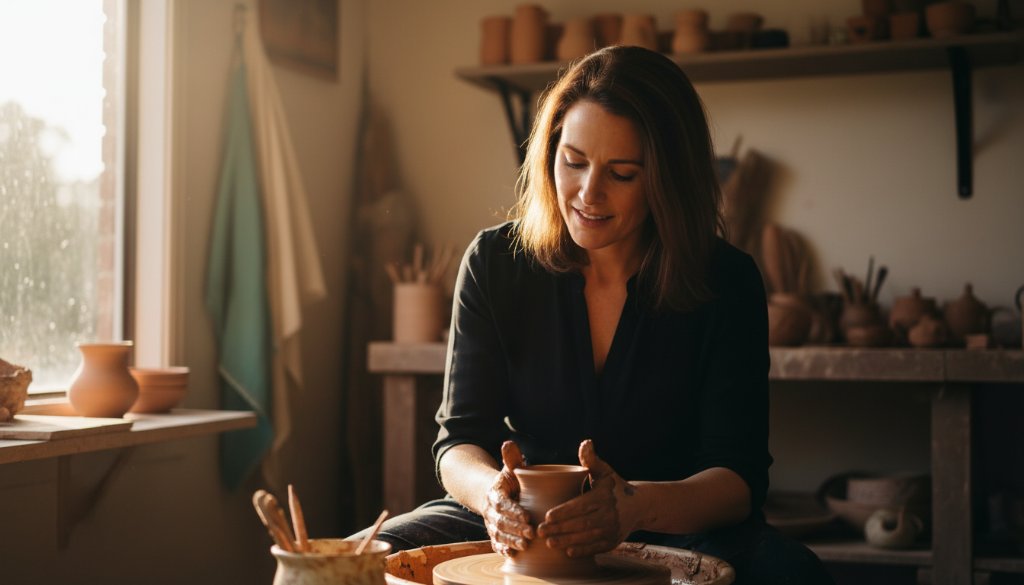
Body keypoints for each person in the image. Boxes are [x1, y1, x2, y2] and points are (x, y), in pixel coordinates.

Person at [351, 45, 833, 585]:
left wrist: (633, 508)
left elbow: (738, 479)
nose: (587, 192)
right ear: (549, 152)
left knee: (792, 574)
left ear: (667, 181)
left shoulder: (725, 280)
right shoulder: (495, 263)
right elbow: (459, 439)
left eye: (622, 173)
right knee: (353, 560)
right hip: (521, 521)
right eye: (573, 161)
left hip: (673, 521)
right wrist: (491, 496)